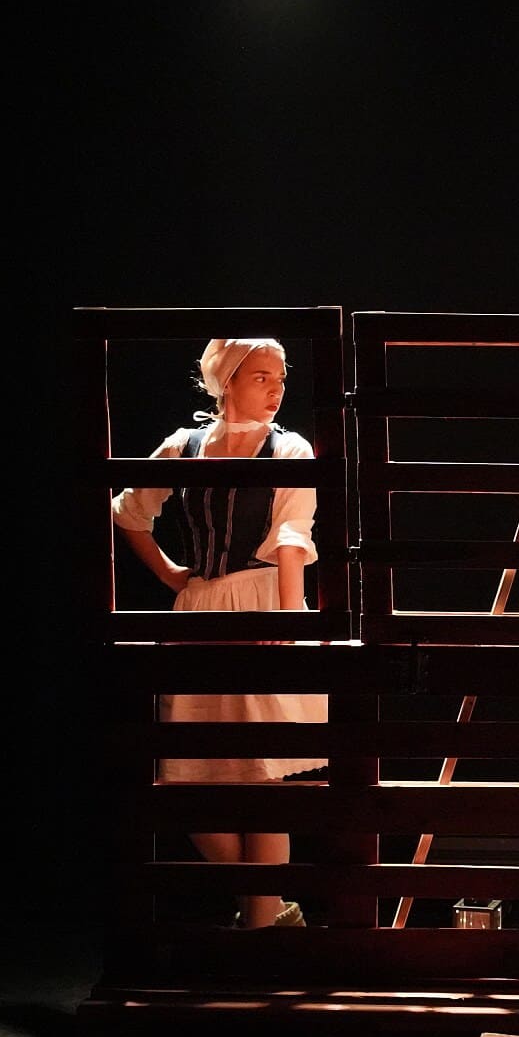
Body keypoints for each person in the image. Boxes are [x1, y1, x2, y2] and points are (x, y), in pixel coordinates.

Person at [111, 338, 324, 929]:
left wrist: (286, 622)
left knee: (264, 779)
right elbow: (128, 510)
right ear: (226, 381)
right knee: (188, 779)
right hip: (201, 609)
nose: (276, 388)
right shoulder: (184, 446)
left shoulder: (289, 448)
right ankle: (271, 914)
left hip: (265, 602)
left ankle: (260, 930)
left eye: (280, 377)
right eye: (261, 377)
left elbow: (292, 537)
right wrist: (170, 573)